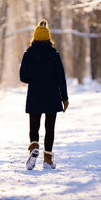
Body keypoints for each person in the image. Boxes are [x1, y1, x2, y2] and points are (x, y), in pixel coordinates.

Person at [19, 19, 69, 170]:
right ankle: (47, 159)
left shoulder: (28, 54)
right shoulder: (54, 54)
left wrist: (34, 79)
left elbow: (22, 76)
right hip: (52, 94)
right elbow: (61, 78)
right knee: (50, 128)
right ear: (48, 38)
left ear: (34, 38)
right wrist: (64, 98)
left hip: (34, 93)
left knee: (34, 126)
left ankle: (34, 146)